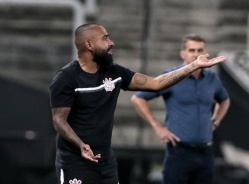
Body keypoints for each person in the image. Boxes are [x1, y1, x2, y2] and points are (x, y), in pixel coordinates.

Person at [49, 23, 226, 184]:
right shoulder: (66, 78)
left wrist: (193, 66)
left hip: (105, 161)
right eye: (105, 38)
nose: (111, 42)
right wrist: (80, 145)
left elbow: (156, 83)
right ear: (89, 45)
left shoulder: (114, 72)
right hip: (75, 162)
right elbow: (59, 120)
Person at [131, 33, 230, 184]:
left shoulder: (211, 78)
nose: (196, 54)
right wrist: (157, 126)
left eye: (200, 50)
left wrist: (216, 121)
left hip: (205, 151)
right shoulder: (172, 77)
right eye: (192, 50)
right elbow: (138, 98)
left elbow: (224, 100)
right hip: (179, 151)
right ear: (182, 53)